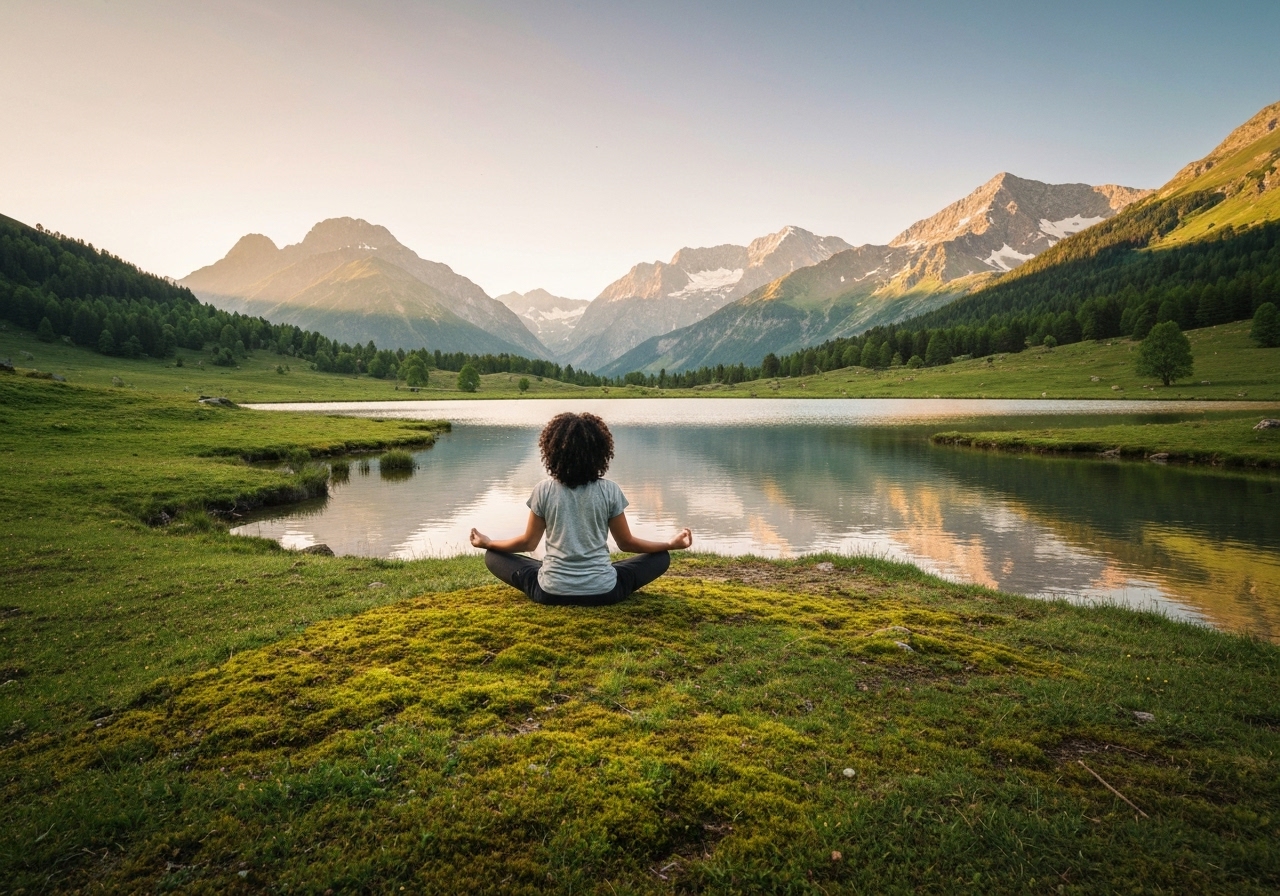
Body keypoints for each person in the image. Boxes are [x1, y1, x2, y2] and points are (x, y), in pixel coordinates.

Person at [470, 412, 692, 606]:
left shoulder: (543, 490)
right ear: (600, 452)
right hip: (605, 592)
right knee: (661, 557)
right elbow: (626, 544)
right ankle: (591, 576)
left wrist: (488, 543)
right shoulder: (610, 490)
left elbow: (528, 543)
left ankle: (556, 573)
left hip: (550, 592)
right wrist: (670, 544)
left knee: (493, 556)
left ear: (552, 451)